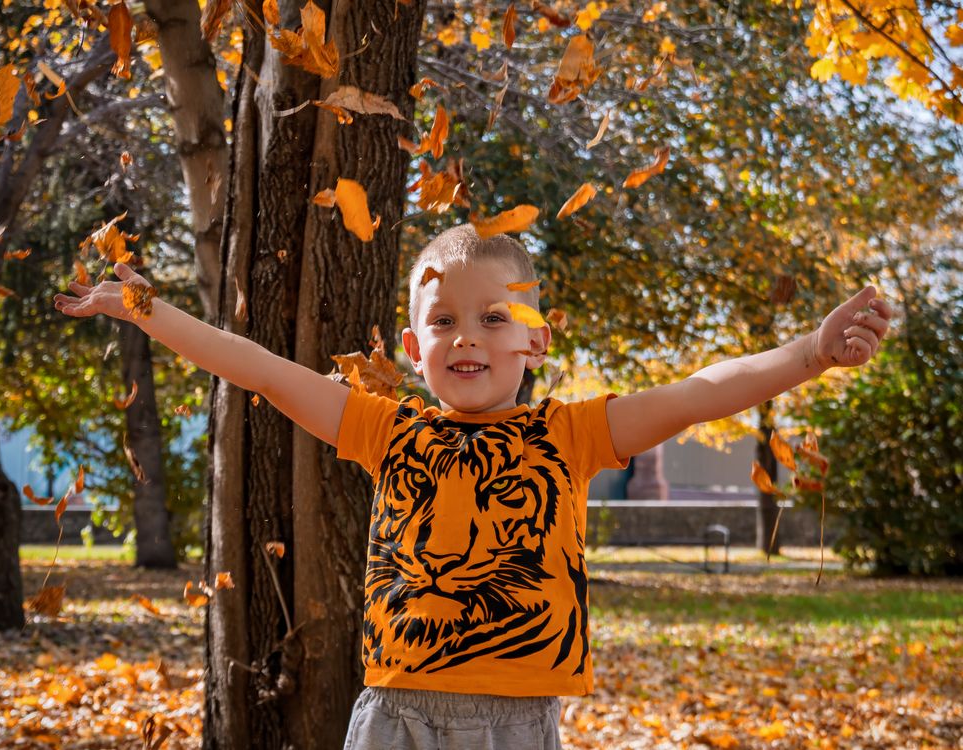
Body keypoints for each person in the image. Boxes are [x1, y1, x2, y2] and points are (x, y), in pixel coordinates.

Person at [54, 224, 892, 749]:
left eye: (494, 318)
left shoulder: (572, 434)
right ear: (413, 350)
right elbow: (266, 373)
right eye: (444, 320)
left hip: (519, 725)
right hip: (395, 718)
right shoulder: (387, 428)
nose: (467, 336)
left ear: (536, 339)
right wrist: (143, 308)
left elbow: (705, 390)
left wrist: (810, 354)